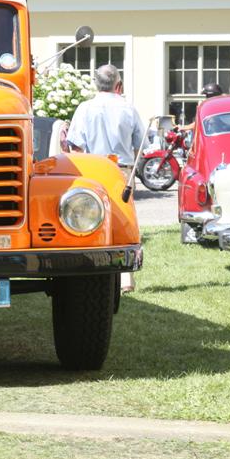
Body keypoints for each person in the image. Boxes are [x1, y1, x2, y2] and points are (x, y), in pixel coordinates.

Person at [66, 64, 145, 292]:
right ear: (118, 85)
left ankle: (91, 272)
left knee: (90, 220)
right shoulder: (128, 108)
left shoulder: (84, 108)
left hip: (92, 168)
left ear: (95, 84)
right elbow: (142, 144)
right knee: (125, 222)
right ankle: (125, 279)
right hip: (121, 169)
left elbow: (76, 145)